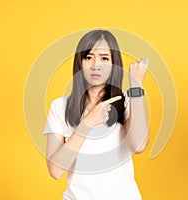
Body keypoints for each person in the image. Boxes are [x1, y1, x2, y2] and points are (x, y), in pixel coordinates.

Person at [42, 29, 150, 200]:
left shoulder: (127, 102)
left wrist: (136, 85)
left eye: (104, 58)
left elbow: (138, 146)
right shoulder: (60, 107)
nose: (96, 65)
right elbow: (55, 171)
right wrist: (87, 123)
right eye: (89, 57)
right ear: (80, 62)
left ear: (114, 63)